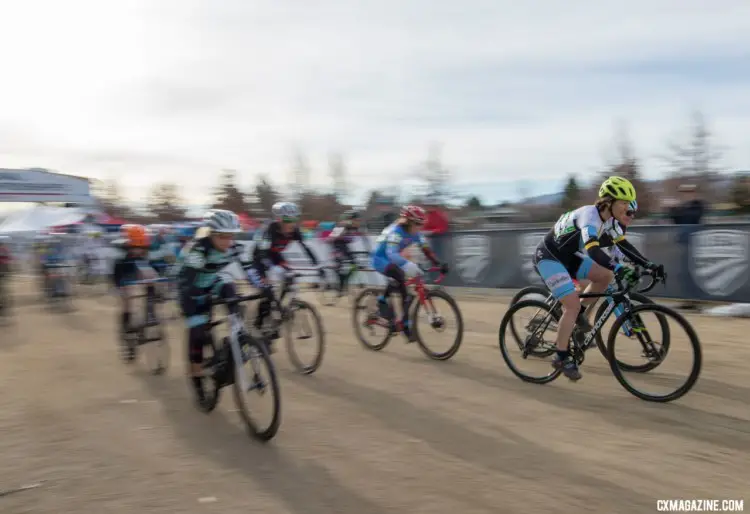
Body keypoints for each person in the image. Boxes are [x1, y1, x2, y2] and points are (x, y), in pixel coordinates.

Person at [533, 176, 664, 381]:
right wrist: (620, 268)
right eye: (623, 203)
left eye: (629, 203)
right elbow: (593, 252)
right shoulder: (590, 217)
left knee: (605, 276)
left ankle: (579, 317)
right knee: (572, 305)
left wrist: (649, 265)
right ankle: (560, 356)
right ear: (609, 202)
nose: (627, 208)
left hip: (567, 257)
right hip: (549, 257)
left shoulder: (609, 221)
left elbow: (623, 246)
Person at [175, 209, 248, 406]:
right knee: (198, 330)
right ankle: (196, 373)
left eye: (231, 236)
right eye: (222, 236)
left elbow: (248, 268)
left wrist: (263, 286)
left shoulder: (234, 247)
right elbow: (188, 280)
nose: (227, 241)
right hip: (188, 289)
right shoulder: (198, 251)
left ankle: (238, 335)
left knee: (230, 287)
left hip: (210, 282)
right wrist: (199, 297)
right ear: (211, 234)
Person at [247, 202, 323, 343]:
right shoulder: (268, 230)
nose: (292, 224)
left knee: (290, 277)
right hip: (260, 259)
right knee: (267, 289)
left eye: (294, 220)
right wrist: (270, 273)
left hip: (276, 256)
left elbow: (305, 248)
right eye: (288, 220)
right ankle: (260, 321)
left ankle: (279, 309)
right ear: (278, 219)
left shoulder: (295, 231)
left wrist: (318, 265)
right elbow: (263, 255)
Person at [370, 205, 448, 342]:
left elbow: (426, 250)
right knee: (399, 276)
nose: (419, 227)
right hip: (380, 259)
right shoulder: (396, 232)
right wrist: (407, 264)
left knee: (402, 283)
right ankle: (400, 321)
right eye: (417, 223)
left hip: (393, 259)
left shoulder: (416, 233)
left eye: (421, 224)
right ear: (407, 221)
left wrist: (438, 263)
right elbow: (391, 253)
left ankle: (389, 306)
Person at [111, 224, 156, 339]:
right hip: (122, 277)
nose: (139, 250)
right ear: (129, 245)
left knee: (150, 276)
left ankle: (150, 313)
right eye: (136, 247)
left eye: (142, 248)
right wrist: (120, 287)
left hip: (135, 275)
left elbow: (148, 268)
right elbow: (117, 274)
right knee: (128, 300)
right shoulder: (121, 256)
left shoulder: (143, 254)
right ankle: (126, 327)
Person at [325, 209, 371, 296]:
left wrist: (368, 250)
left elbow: (364, 238)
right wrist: (338, 235)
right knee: (340, 265)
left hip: (345, 247)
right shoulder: (341, 226)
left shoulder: (357, 227)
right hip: (336, 247)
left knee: (354, 265)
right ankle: (340, 286)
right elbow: (330, 239)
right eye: (357, 220)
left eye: (359, 220)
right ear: (351, 220)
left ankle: (345, 280)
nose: (359, 222)